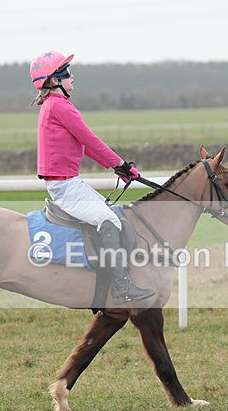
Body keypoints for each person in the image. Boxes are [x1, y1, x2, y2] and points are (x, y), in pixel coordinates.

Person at [29, 51, 154, 302]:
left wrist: (117, 168)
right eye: (65, 73)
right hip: (66, 187)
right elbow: (90, 140)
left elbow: (84, 146)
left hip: (69, 183)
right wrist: (120, 164)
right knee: (110, 221)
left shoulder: (53, 106)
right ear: (54, 81)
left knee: (113, 217)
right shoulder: (61, 107)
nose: (72, 76)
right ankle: (120, 288)